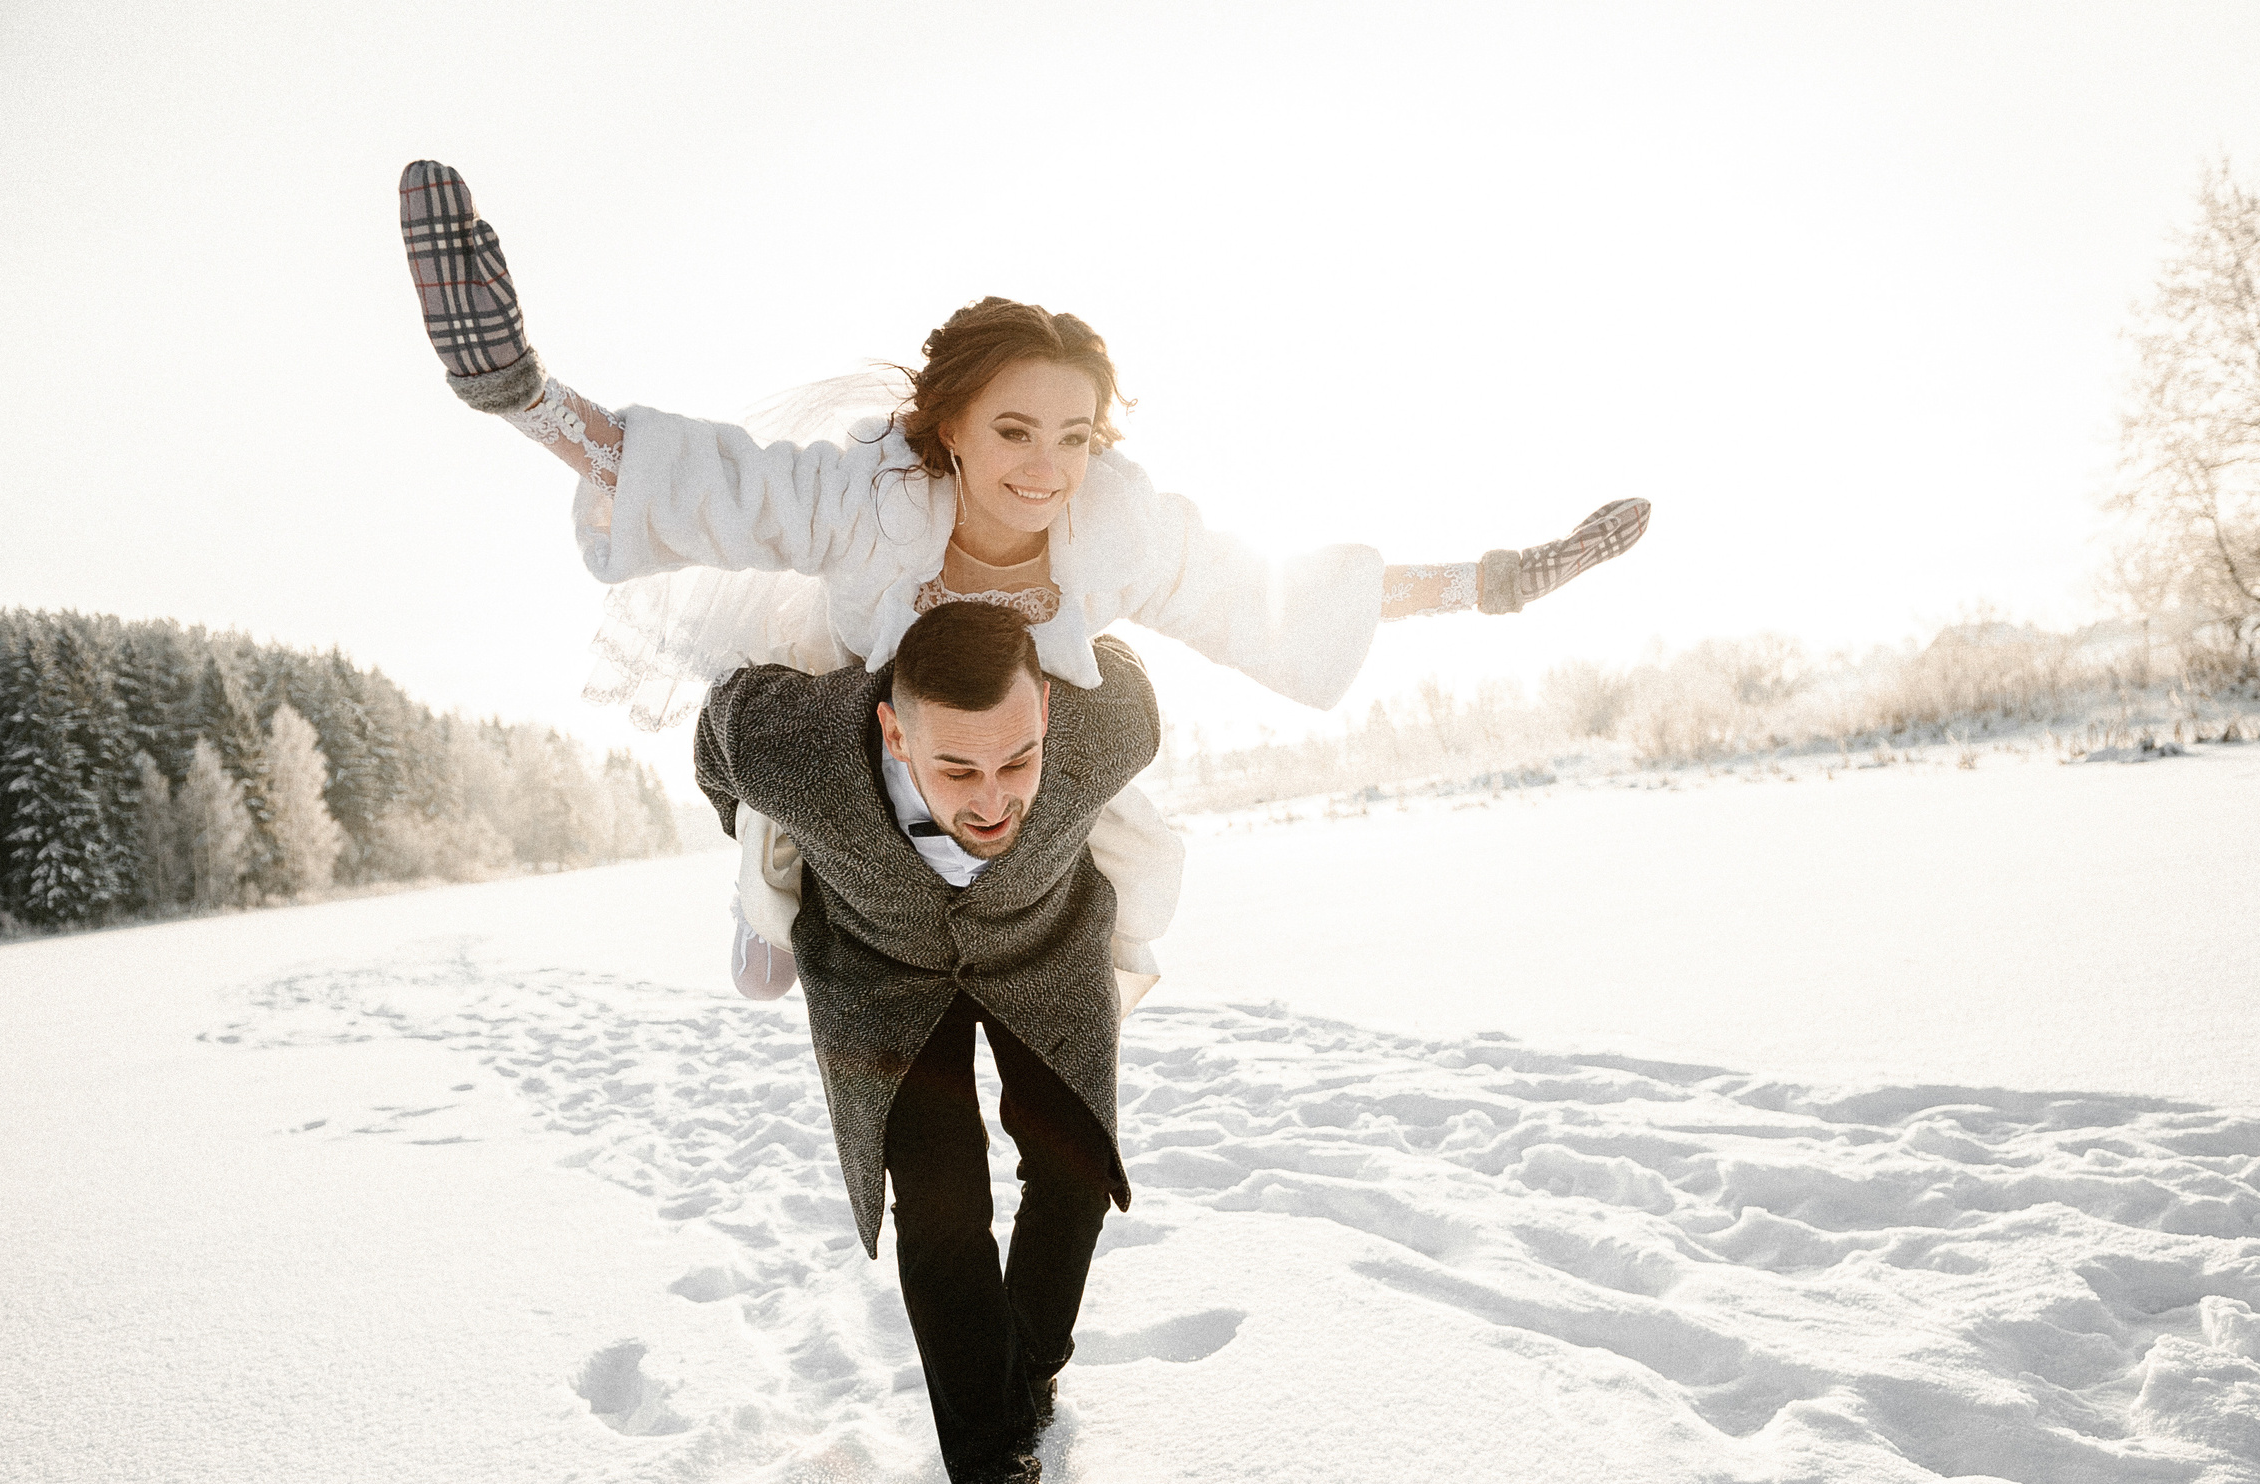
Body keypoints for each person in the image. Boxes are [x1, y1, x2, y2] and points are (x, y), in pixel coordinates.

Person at [396, 161, 1653, 1000]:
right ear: (951, 425)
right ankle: (773, 899)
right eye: (1013, 433)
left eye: (1073, 436)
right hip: (876, 723)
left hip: (1023, 744)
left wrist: (1492, 582)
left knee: (1116, 822)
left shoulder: (1115, 528)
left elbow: (1270, 594)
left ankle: (1069, 979)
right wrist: (519, 394)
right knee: (795, 758)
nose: (1045, 469)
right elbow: (707, 482)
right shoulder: (864, 499)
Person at [693, 597, 1158, 1484]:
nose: (992, 803)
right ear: (891, 730)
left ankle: (1024, 1377)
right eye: (955, 770)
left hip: (1044, 956)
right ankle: (998, 1472)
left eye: (1016, 761)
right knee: (942, 1207)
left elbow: (1124, 669)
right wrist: (762, 837)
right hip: (881, 984)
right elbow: (717, 733)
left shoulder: (1106, 723)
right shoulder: (801, 752)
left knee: (1073, 1168)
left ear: (1044, 709)